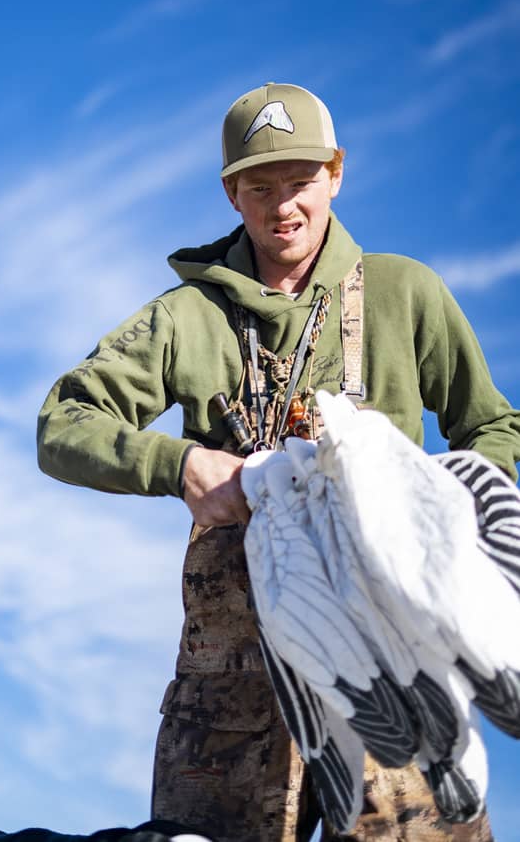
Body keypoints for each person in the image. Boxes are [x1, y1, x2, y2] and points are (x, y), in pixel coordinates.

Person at [37, 83, 520, 842]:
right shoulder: (183, 318)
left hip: (391, 680)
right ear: (232, 193)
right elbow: (63, 424)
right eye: (259, 186)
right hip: (227, 708)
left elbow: (493, 429)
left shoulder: (407, 294)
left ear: (336, 172)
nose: (282, 205)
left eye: (300, 181)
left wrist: (443, 512)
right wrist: (181, 464)